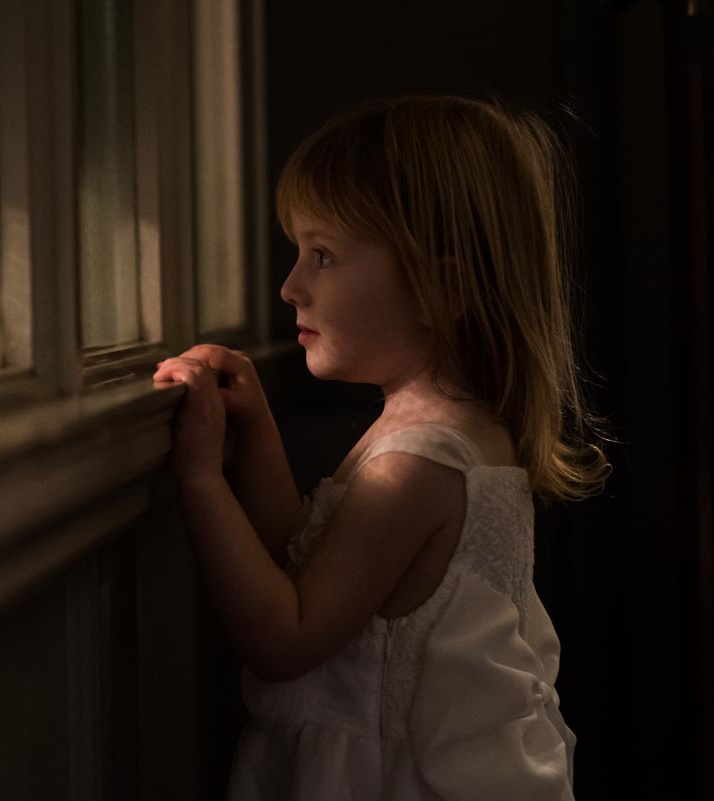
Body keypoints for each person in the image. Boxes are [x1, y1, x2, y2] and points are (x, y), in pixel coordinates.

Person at [152, 94, 613, 800]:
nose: (290, 286)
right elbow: (308, 565)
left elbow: (287, 637)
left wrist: (199, 480)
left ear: (444, 286)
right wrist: (257, 432)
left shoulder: (416, 466)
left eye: (323, 255)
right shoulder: (443, 428)